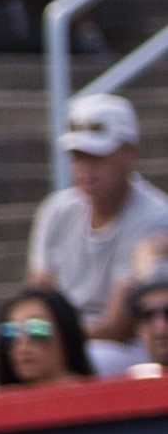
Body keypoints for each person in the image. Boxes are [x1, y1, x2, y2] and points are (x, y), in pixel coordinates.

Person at [32, 92, 168, 333]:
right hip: (65, 343)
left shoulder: (156, 216)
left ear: (131, 155)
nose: (85, 169)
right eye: (78, 156)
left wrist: (54, 338)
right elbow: (37, 299)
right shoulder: (55, 210)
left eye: (97, 156)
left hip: (125, 354)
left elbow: (118, 328)